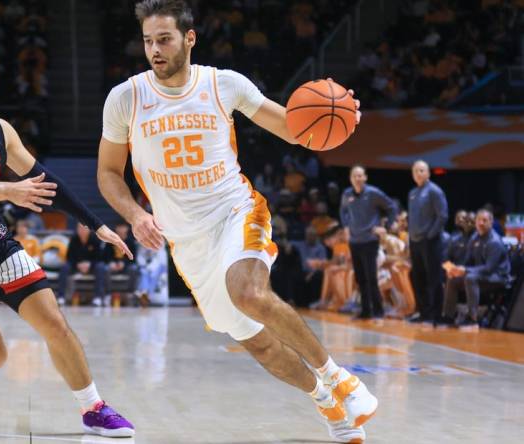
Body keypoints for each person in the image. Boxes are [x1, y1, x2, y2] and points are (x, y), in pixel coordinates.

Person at [96, 2, 375, 441]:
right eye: (149, 41)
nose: (155, 49)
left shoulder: (222, 84)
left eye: (164, 39)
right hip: (186, 242)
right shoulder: (126, 98)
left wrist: (343, 115)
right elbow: (108, 173)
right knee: (258, 342)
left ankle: (340, 378)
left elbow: (295, 128)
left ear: (189, 39)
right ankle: (326, 400)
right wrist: (134, 214)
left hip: (235, 210)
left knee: (247, 291)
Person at [0, 26, 134, 437]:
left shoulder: (1, 130)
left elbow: (44, 180)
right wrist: (10, 190)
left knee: (54, 321)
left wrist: (96, 224)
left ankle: (93, 408)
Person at [340, 165, 396, 321]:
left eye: (360, 176)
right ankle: (365, 311)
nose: (357, 179)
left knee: (371, 277)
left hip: (370, 241)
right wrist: (346, 227)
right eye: (354, 176)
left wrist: (385, 226)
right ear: (351, 178)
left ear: (365, 178)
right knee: (360, 278)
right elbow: (343, 211)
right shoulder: (346, 194)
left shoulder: (373, 193)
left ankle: (378, 311)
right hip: (354, 241)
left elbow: (391, 207)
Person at [442, 209, 510, 331]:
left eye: (485, 220)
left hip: (498, 277)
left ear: (491, 222)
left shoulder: (494, 242)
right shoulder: (474, 238)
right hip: (481, 275)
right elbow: (467, 262)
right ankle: (448, 316)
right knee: (453, 279)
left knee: (470, 278)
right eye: (479, 220)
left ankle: (472, 319)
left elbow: (489, 269)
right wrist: (456, 270)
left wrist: (465, 270)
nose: (481, 223)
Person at [406, 160, 448, 326]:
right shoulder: (413, 193)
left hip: (430, 241)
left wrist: (430, 235)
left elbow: (442, 216)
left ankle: (435, 315)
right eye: (416, 171)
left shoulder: (434, 191)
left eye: (422, 170)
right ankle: (423, 313)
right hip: (415, 241)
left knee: (433, 278)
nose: (419, 173)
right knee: (418, 278)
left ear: (428, 173)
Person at [58, 223, 109, 306]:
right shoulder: (74, 239)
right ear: (77, 230)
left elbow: (100, 257)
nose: (81, 230)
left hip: (91, 266)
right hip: (77, 265)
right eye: (79, 228)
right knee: (64, 267)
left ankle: (98, 297)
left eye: (84, 228)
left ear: (89, 229)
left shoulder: (95, 239)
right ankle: (61, 297)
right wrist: (78, 265)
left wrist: (89, 264)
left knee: (101, 267)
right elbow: (69, 257)